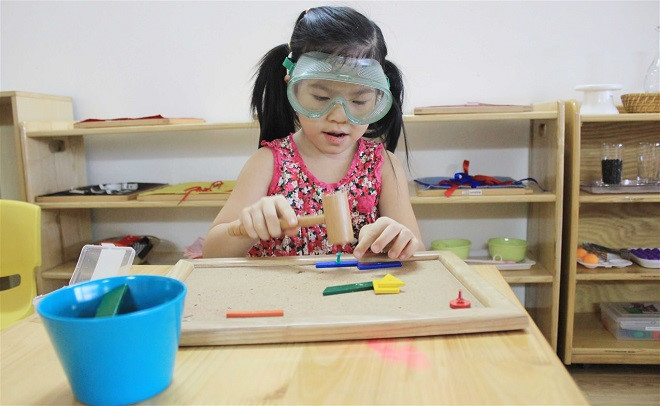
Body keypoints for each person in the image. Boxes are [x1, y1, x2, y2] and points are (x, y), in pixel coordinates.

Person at [203, 6, 423, 259]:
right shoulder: (267, 163)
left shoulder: (382, 165)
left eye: (359, 101)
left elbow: (418, 253)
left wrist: (399, 240)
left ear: (378, 97)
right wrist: (247, 228)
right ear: (293, 88)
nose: (339, 116)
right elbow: (211, 253)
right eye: (321, 97)